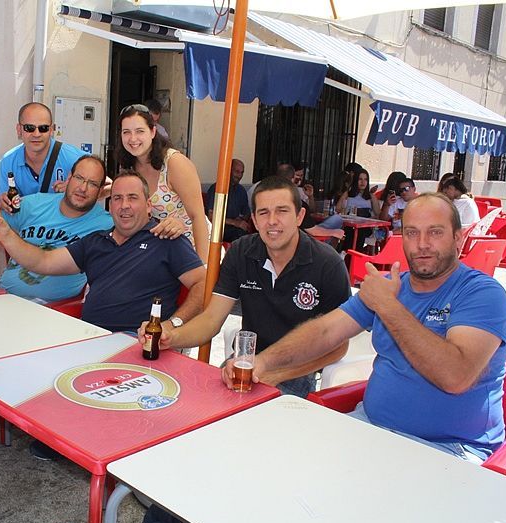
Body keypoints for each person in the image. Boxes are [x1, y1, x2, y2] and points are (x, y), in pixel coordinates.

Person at [229, 192, 506, 463]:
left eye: (435, 232)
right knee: (277, 460)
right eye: (412, 233)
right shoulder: (389, 286)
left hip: (447, 449)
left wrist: (388, 306)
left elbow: (455, 376)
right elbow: (326, 331)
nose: (422, 244)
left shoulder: (482, 294)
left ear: (458, 238)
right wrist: (262, 362)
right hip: (369, 426)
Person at [0, 170, 206, 460]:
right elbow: (44, 261)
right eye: (117, 198)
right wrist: (6, 236)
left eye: (132, 198)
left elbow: (202, 284)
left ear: (148, 205)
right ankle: (62, 429)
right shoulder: (95, 241)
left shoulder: (166, 239)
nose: (124, 205)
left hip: (135, 342)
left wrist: (172, 324)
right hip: (89, 337)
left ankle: (76, 433)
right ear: (109, 205)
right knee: (26, 349)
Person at [145, 176, 351, 398]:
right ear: (254, 219)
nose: (272, 221)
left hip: (296, 372)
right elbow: (211, 319)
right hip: (244, 363)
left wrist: (277, 374)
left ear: (299, 216)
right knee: (196, 401)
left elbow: (339, 347)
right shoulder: (241, 252)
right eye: (263, 213)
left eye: (282, 211)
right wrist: (170, 336)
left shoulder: (327, 264)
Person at [0, 155, 113, 302]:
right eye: (79, 178)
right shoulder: (36, 203)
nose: (83, 188)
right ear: (69, 178)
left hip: (51, 308)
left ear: (100, 191)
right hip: (3, 293)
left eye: (92, 184)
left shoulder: (106, 225)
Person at [117, 104, 210, 262]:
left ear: (153, 132)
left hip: (192, 250)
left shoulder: (175, 163)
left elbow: (198, 216)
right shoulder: (128, 166)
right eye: (126, 132)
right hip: (160, 252)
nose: (132, 138)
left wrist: (203, 267)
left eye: (140, 131)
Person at [0, 102, 87, 212]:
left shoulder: (76, 159)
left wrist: (75, 191)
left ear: (51, 130)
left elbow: (104, 188)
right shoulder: (8, 162)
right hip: (26, 222)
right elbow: (4, 204)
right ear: (19, 130)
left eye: (43, 128)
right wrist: (2, 202)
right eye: (29, 128)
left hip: (67, 222)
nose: (36, 134)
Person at [276, 164, 344, 241]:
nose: (300, 179)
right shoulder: (296, 203)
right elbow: (313, 231)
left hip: (288, 235)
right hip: (301, 239)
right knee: (337, 220)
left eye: (301, 175)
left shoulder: (269, 198)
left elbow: (312, 210)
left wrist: (310, 196)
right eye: (297, 176)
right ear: (293, 179)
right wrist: (335, 232)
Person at [204, 158, 251, 243]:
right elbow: (211, 217)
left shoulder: (241, 190)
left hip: (236, 229)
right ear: (229, 170)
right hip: (218, 229)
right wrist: (234, 222)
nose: (239, 175)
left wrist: (241, 219)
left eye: (242, 172)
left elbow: (246, 213)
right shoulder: (217, 188)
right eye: (237, 171)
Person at [337, 167, 381, 251]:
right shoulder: (348, 194)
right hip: (350, 223)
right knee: (350, 231)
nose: (363, 182)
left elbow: (378, 213)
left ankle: (352, 254)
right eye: (360, 179)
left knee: (359, 232)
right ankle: (348, 253)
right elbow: (338, 208)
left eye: (365, 179)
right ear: (355, 180)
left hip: (365, 225)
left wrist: (371, 218)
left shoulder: (370, 196)